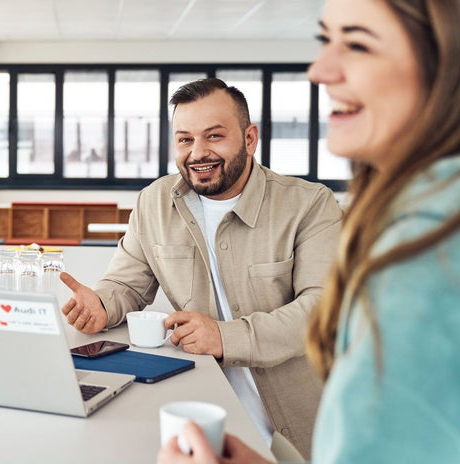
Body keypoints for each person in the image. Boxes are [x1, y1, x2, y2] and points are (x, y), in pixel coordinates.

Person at [157, 0, 460, 464]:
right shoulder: (404, 219)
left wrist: (228, 335)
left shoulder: (433, 251)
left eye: (359, 44)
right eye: (327, 41)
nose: (320, 69)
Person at [61, 77, 342, 458]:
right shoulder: (153, 203)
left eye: (213, 136)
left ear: (249, 138)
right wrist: (102, 303)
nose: (197, 152)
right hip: (199, 407)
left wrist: (226, 337)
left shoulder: (310, 205)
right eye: (185, 139)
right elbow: (126, 285)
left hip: (302, 422)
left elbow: (323, 310)